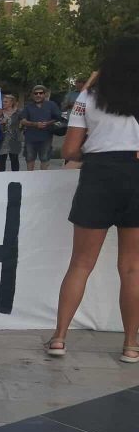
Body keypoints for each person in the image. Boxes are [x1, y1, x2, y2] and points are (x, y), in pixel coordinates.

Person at [47, 36, 139, 363]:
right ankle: (131, 345)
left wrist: (96, 150)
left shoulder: (89, 96)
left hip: (98, 176)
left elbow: (70, 149)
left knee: (81, 264)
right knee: (132, 268)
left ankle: (59, 338)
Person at [21, 84, 61, 171]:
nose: (38, 95)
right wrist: (35, 124)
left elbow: (57, 117)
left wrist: (48, 123)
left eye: (40, 93)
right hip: (30, 137)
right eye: (35, 93)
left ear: (45, 94)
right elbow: (23, 121)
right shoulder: (28, 107)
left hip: (46, 137)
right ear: (32, 95)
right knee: (29, 158)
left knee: (45, 158)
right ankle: (30, 176)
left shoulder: (51, 105)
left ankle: (43, 177)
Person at [0, 94, 22, 172]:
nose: (3, 103)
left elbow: (23, 124)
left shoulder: (18, 112)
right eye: (3, 102)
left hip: (14, 140)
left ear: (11, 103)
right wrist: (0, 123)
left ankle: (15, 177)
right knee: (1, 161)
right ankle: (2, 178)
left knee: (14, 160)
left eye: (6, 102)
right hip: (2, 140)